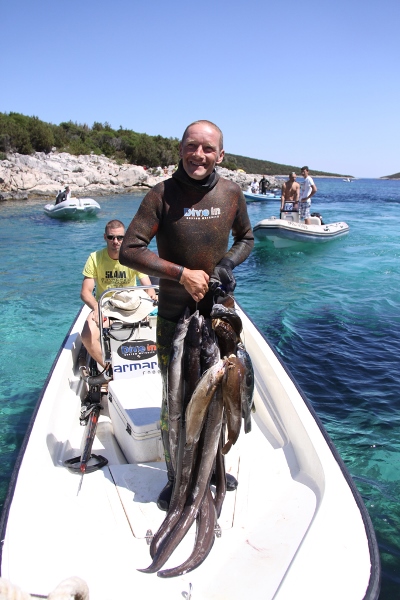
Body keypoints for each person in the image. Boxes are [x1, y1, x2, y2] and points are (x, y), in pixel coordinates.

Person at [119, 120, 254, 509]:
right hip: (174, 315)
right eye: (192, 146)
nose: (199, 155)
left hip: (219, 314)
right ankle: (176, 476)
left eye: (208, 149)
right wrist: (179, 273)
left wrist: (227, 263)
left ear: (221, 155)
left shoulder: (231, 193)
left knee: (221, 394)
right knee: (174, 399)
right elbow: (130, 248)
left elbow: (247, 238)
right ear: (180, 149)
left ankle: (213, 468)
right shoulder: (161, 194)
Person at [80, 219, 156, 367]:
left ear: (125, 237)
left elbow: (148, 286)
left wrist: (151, 298)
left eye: (120, 237)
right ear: (105, 237)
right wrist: (96, 308)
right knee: (86, 336)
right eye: (111, 237)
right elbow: (85, 292)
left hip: (131, 303)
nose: (116, 241)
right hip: (106, 305)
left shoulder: (131, 258)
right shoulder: (95, 258)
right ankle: (111, 370)